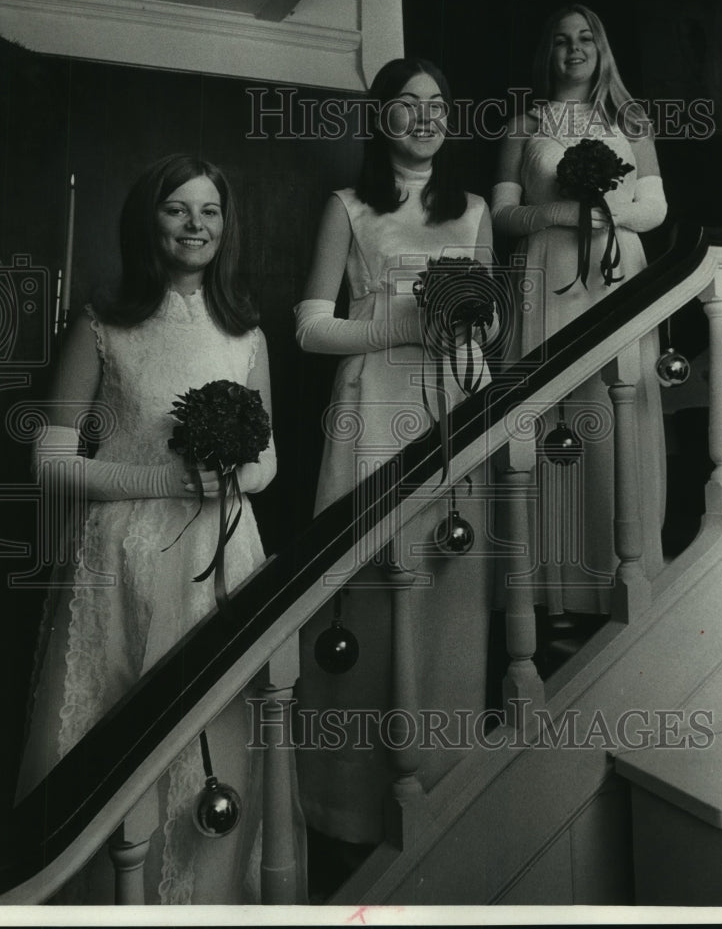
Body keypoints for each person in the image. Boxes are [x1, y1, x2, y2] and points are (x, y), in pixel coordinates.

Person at [16, 154, 296, 904]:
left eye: (208, 211)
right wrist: (162, 482)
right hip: (121, 560)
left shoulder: (244, 333)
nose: (195, 225)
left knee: (214, 733)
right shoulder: (105, 323)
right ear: (149, 220)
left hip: (221, 552)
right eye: (177, 209)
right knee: (115, 735)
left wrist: (224, 481)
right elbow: (49, 460)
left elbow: (268, 461)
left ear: (225, 225)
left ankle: (205, 894)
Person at [294, 58, 498, 853]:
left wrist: (467, 329)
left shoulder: (474, 209)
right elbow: (311, 326)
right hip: (372, 406)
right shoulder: (347, 207)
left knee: (446, 582)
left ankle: (444, 786)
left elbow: (486, 324)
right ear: (380, 120)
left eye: (437, 106)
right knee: (371, 589)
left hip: (453, 403)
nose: (424, 118)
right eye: (406, 106)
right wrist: (401, 328)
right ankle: (346, 804)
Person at [491, 4, 668, 611]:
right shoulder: (525, 123)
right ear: (549, 51)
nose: (574, 48)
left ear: (601, 46)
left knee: (615, 414)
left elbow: (655, 208)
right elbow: (502, 215)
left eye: (586, 37)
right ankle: (551, 592)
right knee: (551, 421)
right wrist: (559, 213)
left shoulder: (631, 120)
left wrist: (603, 213)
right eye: (562, 39)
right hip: (547, 281)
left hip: (616, 279)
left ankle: (620, 578)